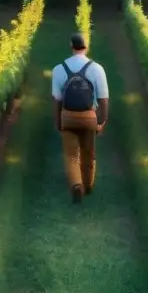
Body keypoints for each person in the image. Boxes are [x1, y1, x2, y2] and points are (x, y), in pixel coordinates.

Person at [51, 32, 109, 203]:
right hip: (88, 117)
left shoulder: (59, 69)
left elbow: (56, 100)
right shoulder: (97, 69)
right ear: (86, 47)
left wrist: (58, 122)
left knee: (71, 155)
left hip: (68, 117)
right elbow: (103, 99)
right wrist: (102, 121)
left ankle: (77, 185)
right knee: (88, 152)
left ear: (71, 46)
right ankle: (88, 185)